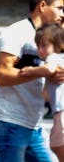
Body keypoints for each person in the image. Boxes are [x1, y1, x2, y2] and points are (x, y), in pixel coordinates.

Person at [0, 0, 64, 162]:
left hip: (32, 125)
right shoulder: (16, 33)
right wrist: (43, 72)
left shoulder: (45, 37)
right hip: (9, 122)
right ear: (43, 6)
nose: (62, 14)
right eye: (59, 8)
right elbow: (3, 77)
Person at [18, 23, 64, 161]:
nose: (40, 50)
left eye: (44, 45)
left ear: (57, 45)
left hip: (62, 112)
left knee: (57, 144)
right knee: (56, 144)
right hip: (59, 112)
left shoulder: (53, 58)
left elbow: (49, 70)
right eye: (38, 46)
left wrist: (29, 70)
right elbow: (46, 95)